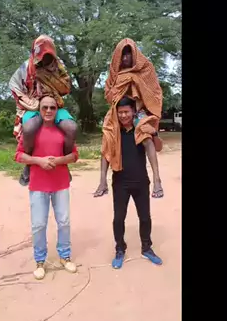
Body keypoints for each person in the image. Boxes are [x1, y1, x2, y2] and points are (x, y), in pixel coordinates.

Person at [94, 96, 164, 269]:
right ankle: (120, 249)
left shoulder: (141, 131)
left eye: (126, 112)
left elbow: (156, 149)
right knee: (118, 218)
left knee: (145, 217)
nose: (123, 115)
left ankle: (146, 248)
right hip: (120, 182)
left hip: (141, 181)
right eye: (120, 112)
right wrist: (102, 181)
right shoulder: (113, 133)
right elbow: (105, 156)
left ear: (133, 112)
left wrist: (157, 180)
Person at [15, 95, 80, 280]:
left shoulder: (63, 131)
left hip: (60, 184)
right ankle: (40, 261)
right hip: (38, 185)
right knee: (39, 224)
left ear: (57, 110)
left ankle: (65, 256)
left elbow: (74, 155)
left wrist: (58, 160)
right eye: (45, 107)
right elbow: (19, 155)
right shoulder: (32, 133)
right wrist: (39, 161)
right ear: (40, 110)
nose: (49, 111)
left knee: (64, 222)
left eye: (52, 107)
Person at [95, 38, 164, 199]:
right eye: (122, 55)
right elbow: (109, 95)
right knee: (107, 137)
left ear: (135, 54)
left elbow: (154, 93)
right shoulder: (114, 73)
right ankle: (102, 182)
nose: (125, 58)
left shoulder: (146, 69)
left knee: (146, 135)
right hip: (117, 111)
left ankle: (157, 179)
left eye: (128, 54)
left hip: (138, 111)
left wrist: (135, 106)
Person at [9, 35, 78, 186]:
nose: (45, 60)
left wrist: (50, 90)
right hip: (34, 106)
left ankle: (64, 163)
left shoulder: (59, 66)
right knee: (29, 128)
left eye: (48, 57)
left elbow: (66, 88)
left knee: (72, 128)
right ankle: (29, 164)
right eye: (42, 57)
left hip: (54, 104)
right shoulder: (27, 67)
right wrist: (31, 103)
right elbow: (13, 85)